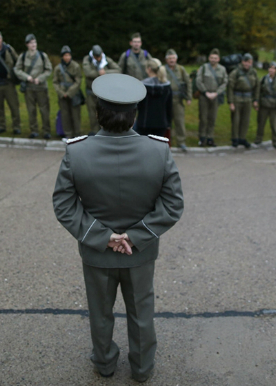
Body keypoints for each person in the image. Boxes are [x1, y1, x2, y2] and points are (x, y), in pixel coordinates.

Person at [52, 73, 184, 383]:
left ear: (97, 112)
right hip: (140, 251)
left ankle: (105, 364)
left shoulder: (76, 152)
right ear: (135, 114)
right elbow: (173, 205)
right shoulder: (159, 151)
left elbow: (64, 205)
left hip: (97, 252)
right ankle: (141, 368)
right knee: (141, 312)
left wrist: (103, 236)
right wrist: (135, 237)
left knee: (100, 313)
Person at [14, 34, 53, 139]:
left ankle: (46, 131)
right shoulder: (22, 56)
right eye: (31, 43)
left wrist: (39, 79)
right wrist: (27, 77)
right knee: (31, 110)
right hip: (29, 88)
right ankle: (34, 130)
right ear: (27, 45)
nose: (33, 45)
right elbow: (17, 69)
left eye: (35, 42)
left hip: (41, 88)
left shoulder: (42, 55)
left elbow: (49, 69)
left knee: (44, 110)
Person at [82, 45, 120, 135]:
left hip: (105, 91)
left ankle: (105, 130)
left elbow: (118, 70)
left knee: (105, 111)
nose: (99, 59)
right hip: (91, 91)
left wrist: (106, 73)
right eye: (96, 57)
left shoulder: (106, 59)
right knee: (92, 112)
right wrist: (98, 73)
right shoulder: (87, 59)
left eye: (100, 56)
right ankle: (95, 131)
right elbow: (87, 72)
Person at [195, 48, 228, 147]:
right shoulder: (204, 67)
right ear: (209, 58)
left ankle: (210, 138)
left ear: (218, 59)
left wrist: (216, 93)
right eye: (212, 58)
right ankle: (202, 138)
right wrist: (205, 92)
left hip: (215, 96)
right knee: (203, 118)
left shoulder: (222, 69)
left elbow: (225, 82)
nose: (213, 59)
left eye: (215, 58)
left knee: (212, 118)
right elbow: (198, 80)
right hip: (204, 96)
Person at [227, 53, 258, 149]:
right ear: (242, 62)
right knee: (236, 119)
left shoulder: (253, 72)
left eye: (249, 62)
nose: (247, 64)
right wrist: (231, 102)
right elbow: (230, 87)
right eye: (245, 61)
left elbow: (257, 87)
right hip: (237, 98)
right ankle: (235, 138)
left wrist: (255, 100)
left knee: (246, 120)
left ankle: (242, 138)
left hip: (248, 99)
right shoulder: (235, 72)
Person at [136, 59, 172, 138]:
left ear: (149, 69)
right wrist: (168, 123)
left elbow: (138, 105)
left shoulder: (142, 86)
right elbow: (169, 107)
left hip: (144, 123)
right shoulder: (167, 86)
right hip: (161, 123)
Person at [164, 49, 192, 151]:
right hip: (166, 99)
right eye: (169, 58)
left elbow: (188, 83)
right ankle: (166, 141)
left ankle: (181, 142)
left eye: (173, 58)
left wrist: (189, 97)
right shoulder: (163, 69)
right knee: (166, 122)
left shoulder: (181, 69)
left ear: (176, 59)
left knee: (179, 121)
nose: (172, 60)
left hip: (178, 99)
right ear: (166, 60)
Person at [52, 45, 83, 139]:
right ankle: (68, 134)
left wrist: (70, 93)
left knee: (75, 115)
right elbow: (55, 82)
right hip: (62, 95)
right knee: (65, 115)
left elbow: (78, 81)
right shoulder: (58, 68)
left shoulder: (76, 66)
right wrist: (61, 93)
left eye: (68, 55)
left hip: (74, 94)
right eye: (65, 55)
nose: (67, 57)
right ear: (62, 57)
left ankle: (77, 133)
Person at [255, 62, 276, 149]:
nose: (271, 70)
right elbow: (258, 91)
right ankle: (259, 138)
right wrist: (257, 102)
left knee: (275, 125)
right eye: (270, 68)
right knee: (261, 123)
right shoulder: (264, 78)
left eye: (273, 68)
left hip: (274, 106)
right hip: (264, 104)